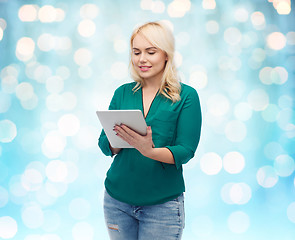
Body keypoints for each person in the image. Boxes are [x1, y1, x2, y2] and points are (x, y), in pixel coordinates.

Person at [98, 21, 202, 240]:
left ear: (166, 55)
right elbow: (105, 145)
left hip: (162, 206)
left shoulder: (186, 96)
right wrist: (118, 138)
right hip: (117, 201)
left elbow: (186, 151)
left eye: (150, 52)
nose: (142, 59)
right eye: (136, 52)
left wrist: (150, 151)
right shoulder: (123, 93)